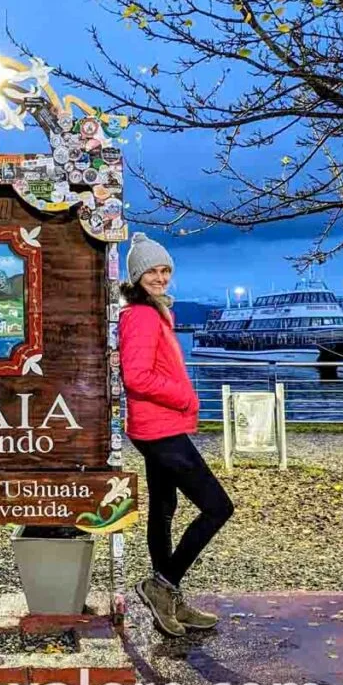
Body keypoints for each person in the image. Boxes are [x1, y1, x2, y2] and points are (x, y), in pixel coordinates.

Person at [119, 232, 235, 637]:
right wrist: (185, 395)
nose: (161, 276)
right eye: (153, 269)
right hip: (159, 428)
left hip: (156, 426)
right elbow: (136, 376)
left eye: (166, 269)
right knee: (218, 507)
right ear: (136, 275)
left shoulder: (154, 312)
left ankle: (169, 598)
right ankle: (161, 585)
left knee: (164, 509)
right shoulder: (142, 316)